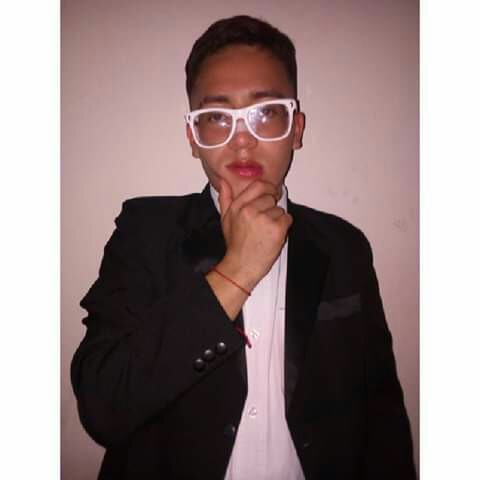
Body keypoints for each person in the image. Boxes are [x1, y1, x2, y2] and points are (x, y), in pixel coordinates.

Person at [71, 15, 416, 480]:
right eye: (217, 118)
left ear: (296, 127)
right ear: (193, 138)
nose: (243, 139)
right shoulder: (145, 232)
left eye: (265, 112)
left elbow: (381, 415)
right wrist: (236, 270)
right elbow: (104, 407)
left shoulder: (344, 246)